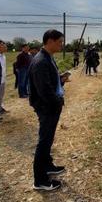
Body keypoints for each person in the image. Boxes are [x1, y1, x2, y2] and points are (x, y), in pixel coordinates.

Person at [28, 29, 69, 191]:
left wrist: (60, 80)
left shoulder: (47, 57)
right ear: (50, 41)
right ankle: (40, 180)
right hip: (47, 107)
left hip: (50, 106)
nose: (62, 45)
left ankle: (48, 166)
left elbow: (49, 83)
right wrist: (58, 101)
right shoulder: (41, 61)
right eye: (60, 42)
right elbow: (44, 90)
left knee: (48, 138)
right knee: (44, 141)